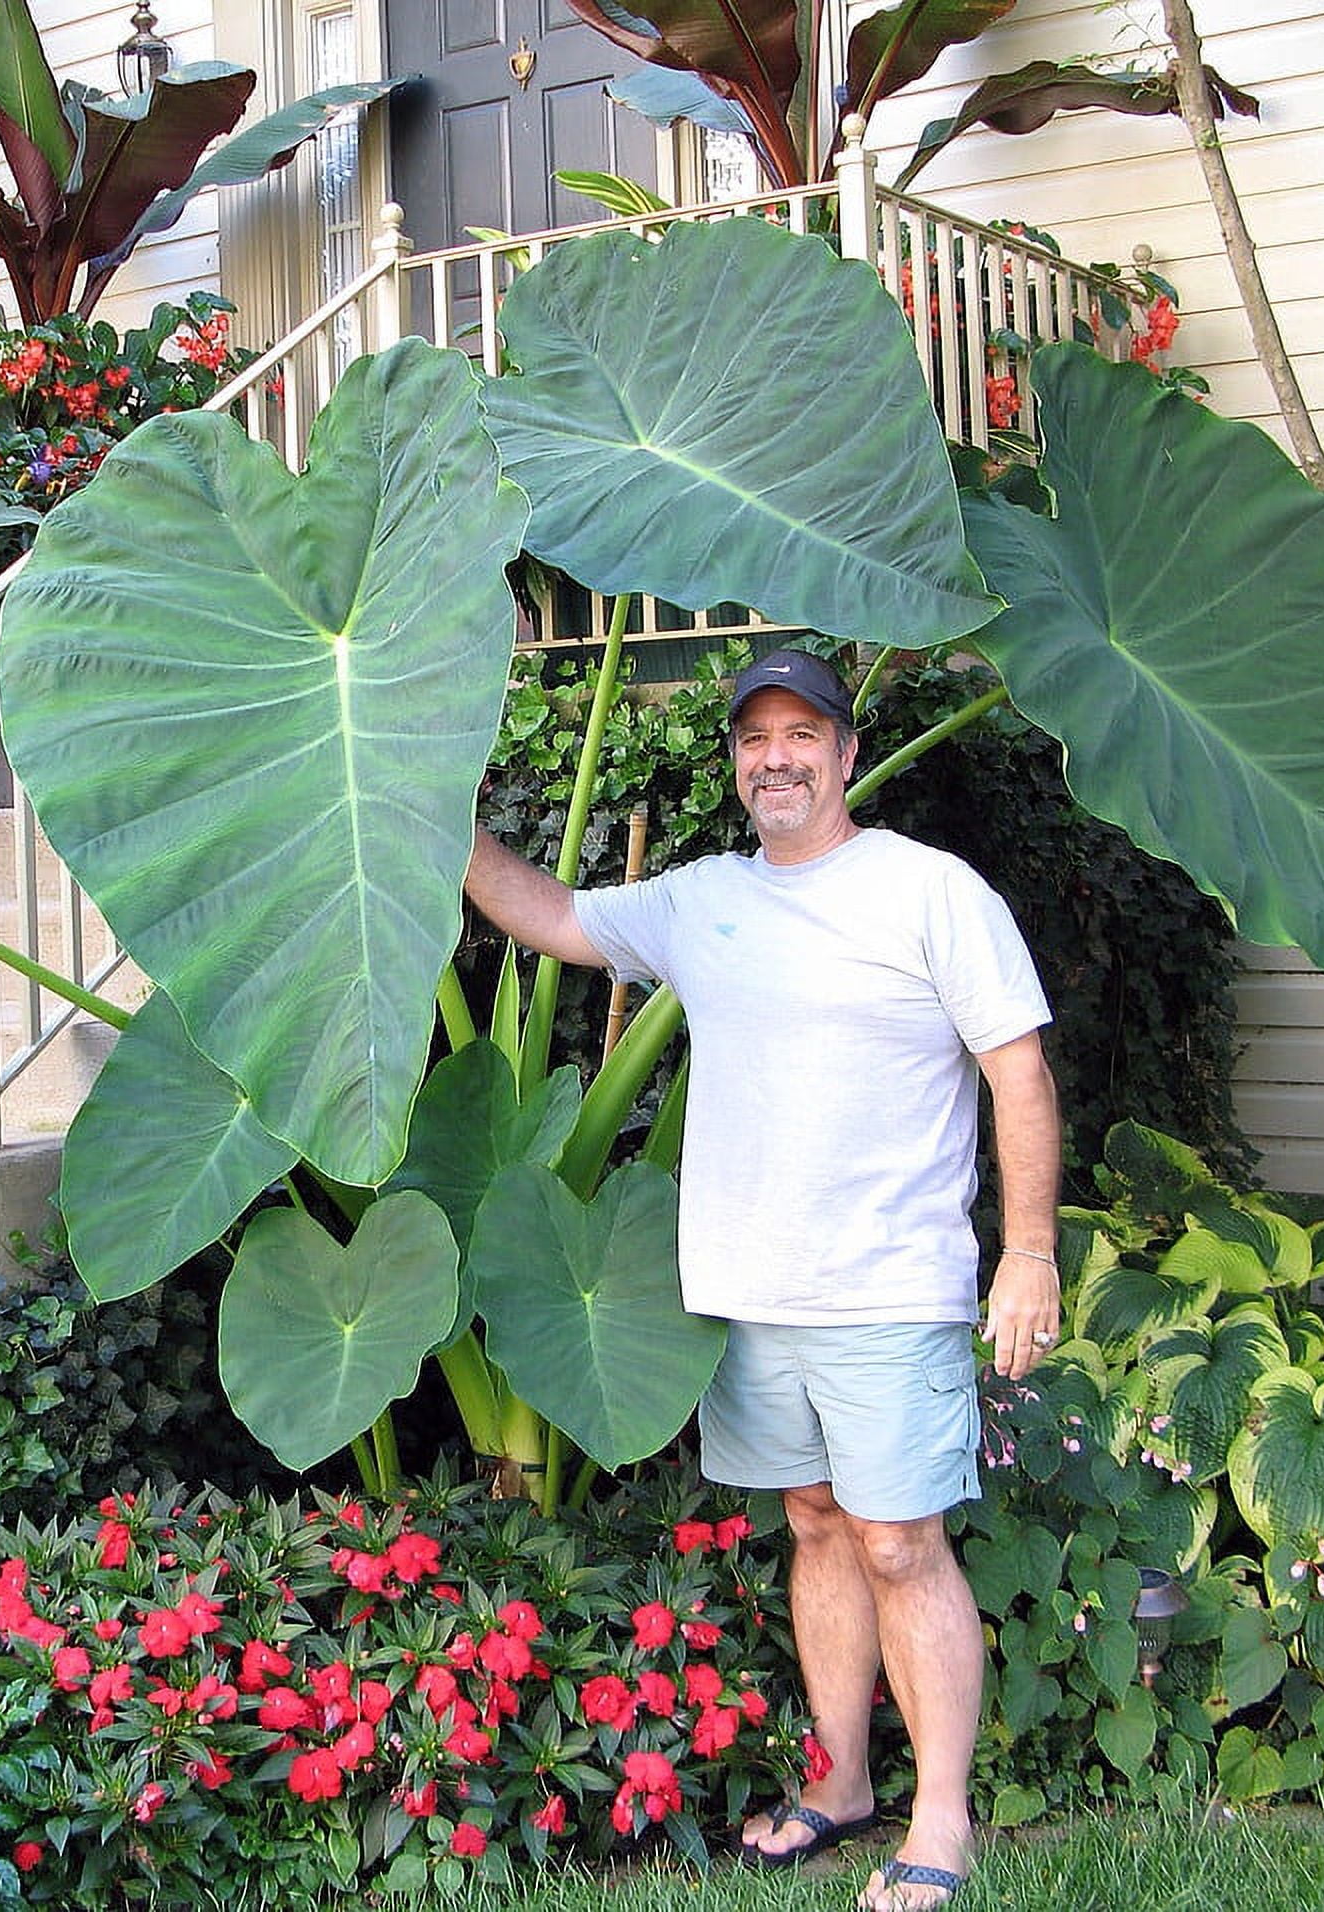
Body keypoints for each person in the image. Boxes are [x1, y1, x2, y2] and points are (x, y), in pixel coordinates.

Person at [463, 647, 1061, 1912]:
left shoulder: (927, 890)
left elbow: (1019, 1072)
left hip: (889, 1286)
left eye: (803, 734)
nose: (776, 756)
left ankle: (940, 1819)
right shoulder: (702, 901)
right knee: (813, 1523)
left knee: (902, 1540)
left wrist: (1030, 1250)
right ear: (736, 762)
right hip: (753, 1288)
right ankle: (841, 1782)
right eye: (754, 738)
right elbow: (557, 917)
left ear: (846, 754)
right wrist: (435, 819)